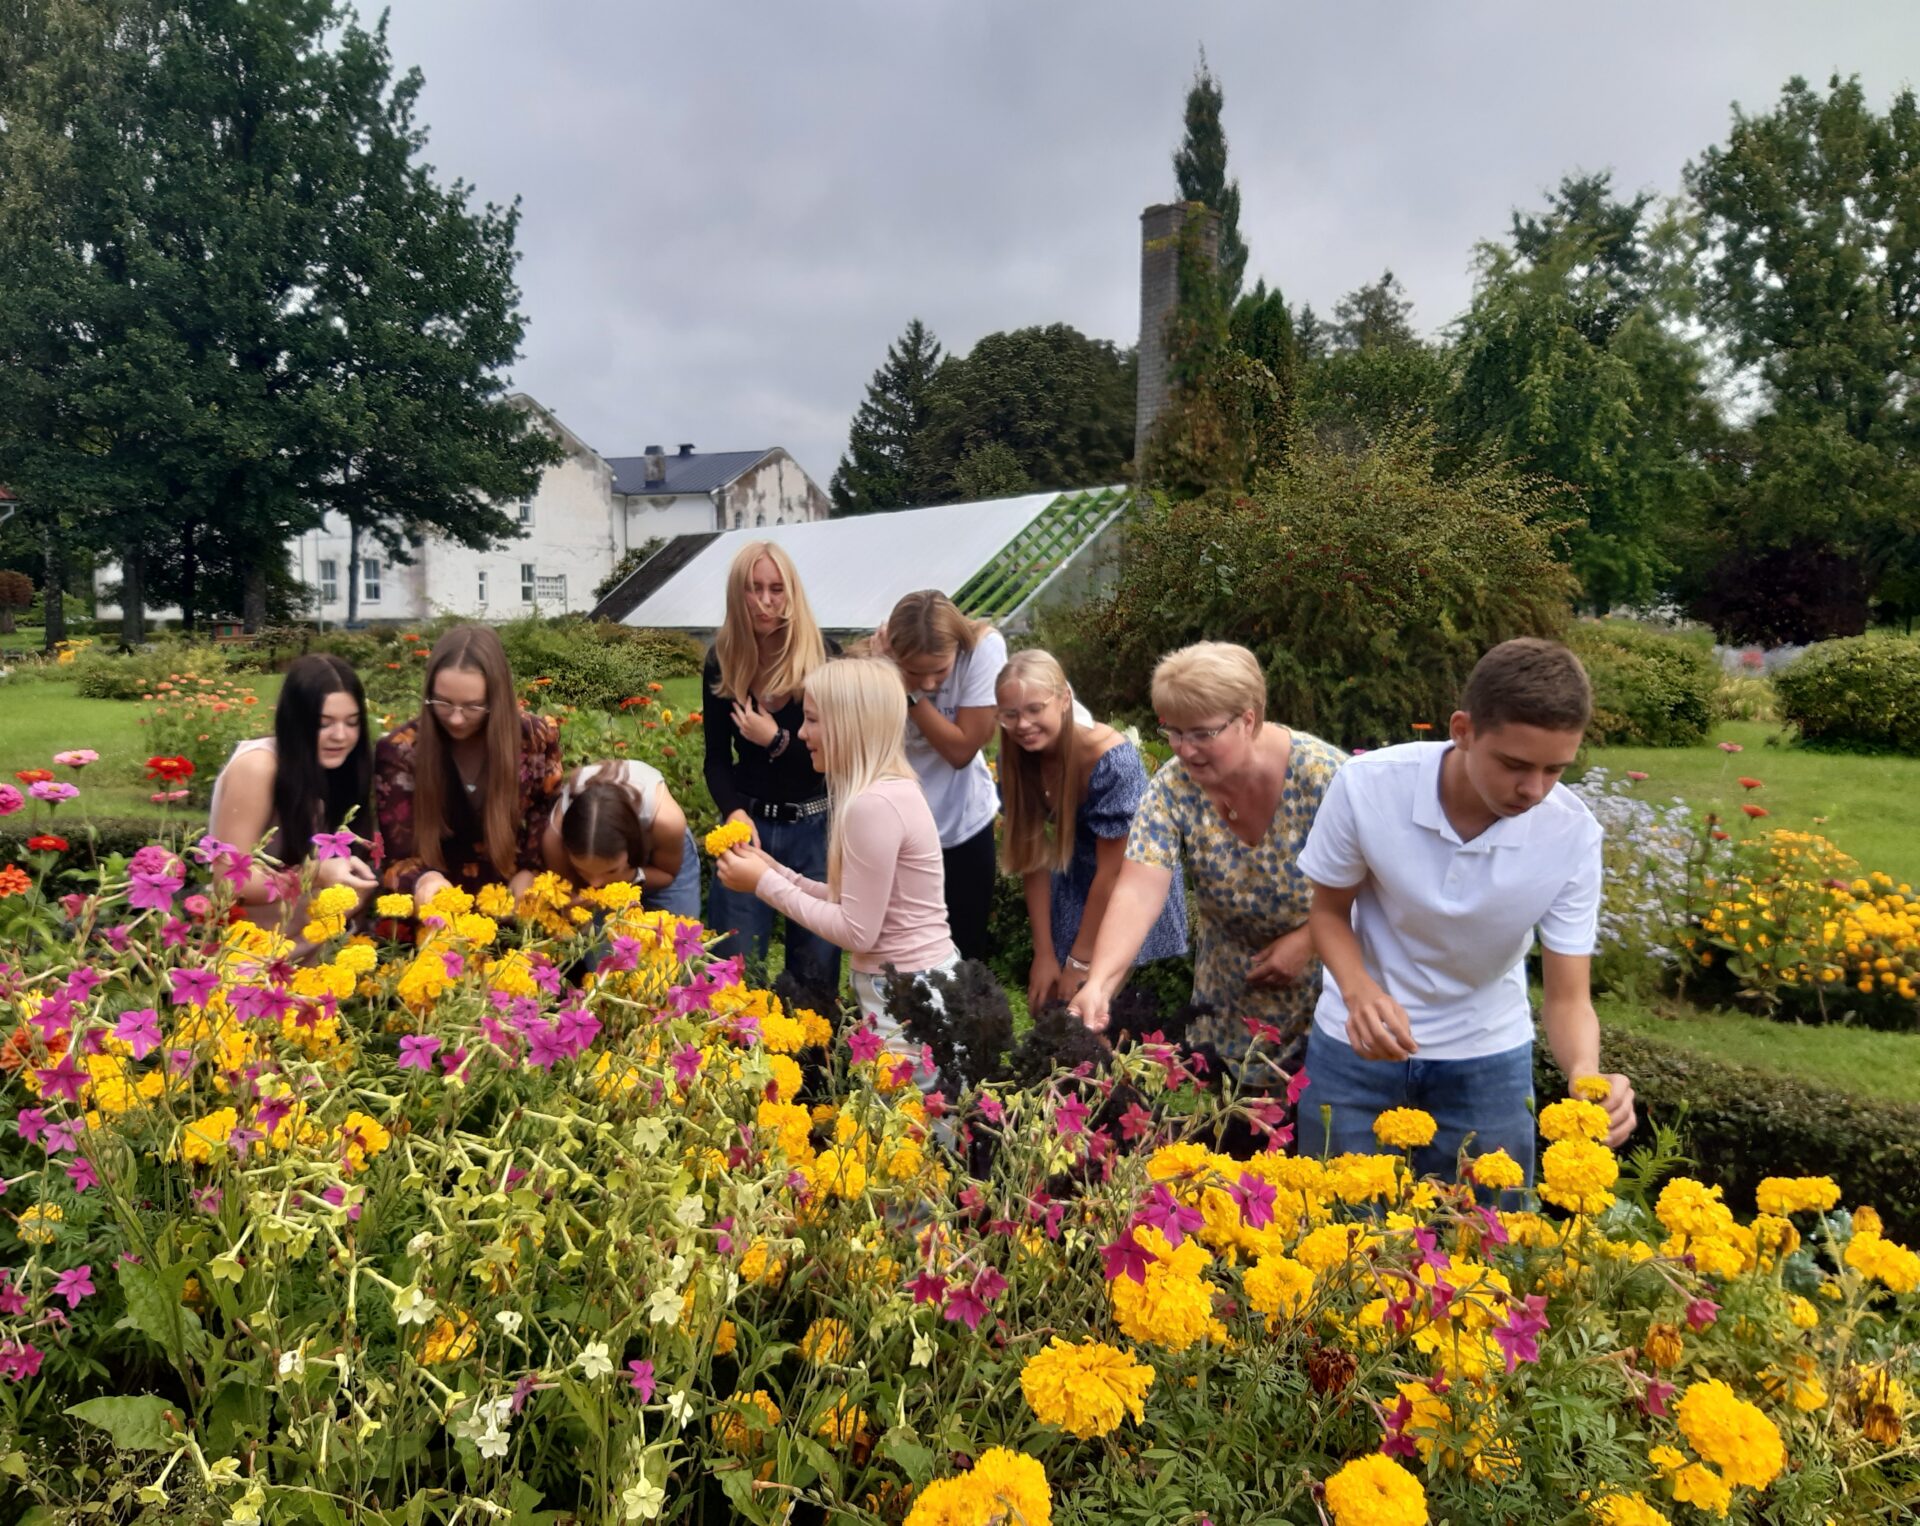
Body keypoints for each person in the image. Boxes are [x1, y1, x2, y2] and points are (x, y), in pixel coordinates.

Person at [1296, 637, 1637, 1183]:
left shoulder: (1572, 836)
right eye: (1515, 764)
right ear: (1462, 730)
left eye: (1556, 770)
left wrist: (1586, 1076)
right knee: (1337, 1238)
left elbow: (1568, 996)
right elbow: (1328, 912)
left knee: (1488, 1253)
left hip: (1487, 1059)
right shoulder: (1367, 787)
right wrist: (1360, 994)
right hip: (1352, 1052)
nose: (1534, 790)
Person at [1069, 641, 1346, 1087]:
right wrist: (1099, 983)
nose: (1185, 749)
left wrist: (1309, 939)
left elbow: (1381, 882)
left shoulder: (1325, 777)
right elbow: (1138, 888)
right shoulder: (1174, 786)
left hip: (1329, 996)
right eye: (1173, 732)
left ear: (1248, 720)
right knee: (1234, 1134)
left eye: (1201, 734)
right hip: (1231, 996)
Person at [713, 657, 954, 1052]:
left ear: (850, 724)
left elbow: (856, 930)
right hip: (914, 985)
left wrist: (763, 883)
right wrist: (777, 871)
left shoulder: (872, 806)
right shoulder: (888, 791)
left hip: (906, 994)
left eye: (812, 720)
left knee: (913, 1112)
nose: (800, 733)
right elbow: (852, 901)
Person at [996, 649, 1187, 1012]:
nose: (1022, 724)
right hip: (1077, 875)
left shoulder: (1113, 759)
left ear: (1064, 700)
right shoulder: (1014, 758)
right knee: (1049, 1004)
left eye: (1035, 709)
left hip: (1129, 880)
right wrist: (1045, 953)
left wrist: (1080, 963)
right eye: (1011, 714)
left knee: (1084, 1009)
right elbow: (1032, 860)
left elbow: (1113, 873)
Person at [701, 540, 839, 988]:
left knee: (815, 973)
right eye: (753, 588)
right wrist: (733, 812)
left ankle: (814, 1057)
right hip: (751, 825)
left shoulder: (823, 656)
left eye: (776, 589)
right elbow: (717, 760)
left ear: (792, 592)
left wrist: (774, 739)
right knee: (733, 971)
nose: (765, 601)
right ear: (736, 593)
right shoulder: (723, 660)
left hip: (815, 827)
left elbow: (833, 760)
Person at [374, 624, 562, 908]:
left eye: (473, 706)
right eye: (443, 703)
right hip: (434, 908)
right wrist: (424, 882)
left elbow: (548, 816)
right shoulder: (401, 750)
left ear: (496, 699)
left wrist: (530, 872)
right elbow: (396, 858)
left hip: (514, 900)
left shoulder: (534, 737)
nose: (457, 719)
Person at [872, 590, 1005, 964]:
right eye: (916, 671)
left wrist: (910, 691)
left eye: (940, 671)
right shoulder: (878, 659)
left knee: (964, 951)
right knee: (898, 954)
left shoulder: (983, 649)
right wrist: (883, 673)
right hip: (900, 830)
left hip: (963, 823)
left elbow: (961, 750)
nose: (930, 683)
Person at [208, 652, 379, 933]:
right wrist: (314, 874)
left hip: (321, 945)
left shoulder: (345, 767)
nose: (340, 736)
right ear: (295, 721)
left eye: (352, 722)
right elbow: (228, 880)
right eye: (324, 723)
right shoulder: (258, 766)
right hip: (250, 950)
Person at [543, 759, 701, 917]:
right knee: (604, 939)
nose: (595, 883)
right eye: (581, 870)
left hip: (659, 851)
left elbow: (667, 875)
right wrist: (573, 906)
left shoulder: (667, 823)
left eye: (611, 870)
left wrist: (632, 877)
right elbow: (568, 895)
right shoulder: (554, 841)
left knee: (680, 937)